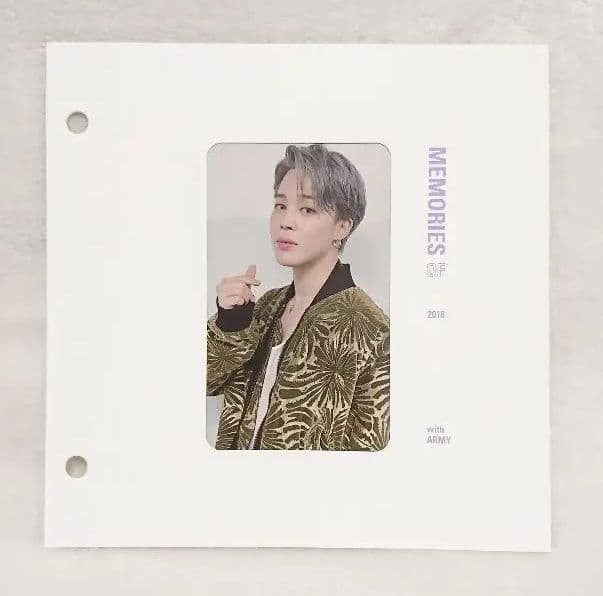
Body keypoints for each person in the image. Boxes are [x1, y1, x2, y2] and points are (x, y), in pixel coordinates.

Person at [207, 143, 390, 450]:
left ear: (342, 227)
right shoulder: (264, 308)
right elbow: (206, 382)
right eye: (280, 205)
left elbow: (371, 450)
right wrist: (230, 323)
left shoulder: (369, 328)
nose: (286, 221)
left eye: (307, 209)